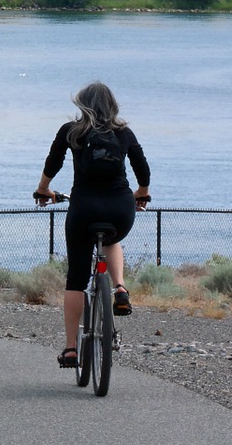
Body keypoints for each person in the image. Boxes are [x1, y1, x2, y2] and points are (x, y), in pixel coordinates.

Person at [34, 82, 151, 369]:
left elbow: (53, 163)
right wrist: (142, 193)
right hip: (120, 209)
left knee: (76, 276)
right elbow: (142, 169)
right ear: (113, 105)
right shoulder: (124, 133)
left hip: (84, 208)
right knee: (111, 239)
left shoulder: (71, 131)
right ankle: (120, 288)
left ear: (81, 104)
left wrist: (43, 189)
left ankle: (71, 349)